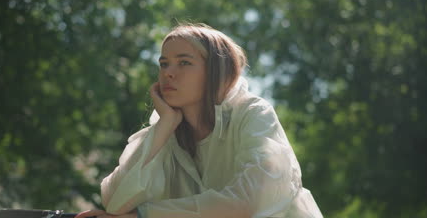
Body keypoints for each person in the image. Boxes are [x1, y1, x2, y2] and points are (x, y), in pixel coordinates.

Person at [76, 24, 323, 218]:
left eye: (184, 62)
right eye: (164, 64)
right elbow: (116, 202)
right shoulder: (166, 132)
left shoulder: (253, 114)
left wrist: (147, 215)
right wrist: (163, 126)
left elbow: (247, 203)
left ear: (217, 71)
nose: (168, 73)